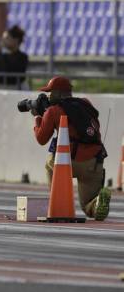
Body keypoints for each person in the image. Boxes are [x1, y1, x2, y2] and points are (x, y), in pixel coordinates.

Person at [32, 76, 111, 221]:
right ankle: (98, 202)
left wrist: (38, 118)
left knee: (49, 164)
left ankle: (59, 202)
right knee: (88, 207)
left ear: (58, 93)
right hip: (94, 163)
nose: (49, 95)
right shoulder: (85, 104)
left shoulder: (53, 111)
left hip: (67, 163)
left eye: (51, 92)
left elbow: (41, 139)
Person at [0, 25, 29, 90]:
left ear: (16, 40)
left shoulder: (23, 57)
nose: (3, 41)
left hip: (17, 89)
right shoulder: (0, 56)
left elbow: (11, 71)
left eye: (7, 38)